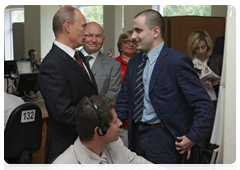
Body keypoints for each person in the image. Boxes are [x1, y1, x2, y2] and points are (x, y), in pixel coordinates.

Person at [115, 9, 215, 170]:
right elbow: (124, 99)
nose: (133, 36)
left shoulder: (177, 61)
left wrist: (193, 136)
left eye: (138, 30)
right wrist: (114, 122)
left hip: (165, 139)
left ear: (155, 31)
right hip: (136, 137)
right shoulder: (134, 62)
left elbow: (204, 104)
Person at [38, 7, 98, 170]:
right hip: (67, 147)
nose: (86, 32)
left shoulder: (78, 57)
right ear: (67, 26)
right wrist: (96, 129)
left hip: (84, 145)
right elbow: (62, 112)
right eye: (83, 26)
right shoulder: (52, 64)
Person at [49, 95, 166, 170]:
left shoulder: (116, 144)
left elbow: (144, 166)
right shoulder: (63, 166)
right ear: (100, 131)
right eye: (115, 121)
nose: (120, 123)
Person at [107, 30, 137, 147]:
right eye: (127, 41)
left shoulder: (143, 63)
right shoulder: (113, 63)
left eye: (134, 41)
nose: (131, 44)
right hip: (119, 116)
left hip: (139, 117)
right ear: (120, 44)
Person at [81, 22, 121, 101]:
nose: (94, 40)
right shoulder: (71, 59)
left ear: (103, 39)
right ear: (82, 36)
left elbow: (112, 94)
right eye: (89, 35)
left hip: (101, 111)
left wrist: (94, 110)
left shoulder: (113, 65)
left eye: (98, 36)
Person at [187, 29, 223, 108]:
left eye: (203, 47)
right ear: (192, 48)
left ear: (208, 45)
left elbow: (231, 83)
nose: (201, 51)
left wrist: (220, 82)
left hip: (218, 104)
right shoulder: (189, 64)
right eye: (197, 48)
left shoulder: (218, 59)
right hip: (199, 105)